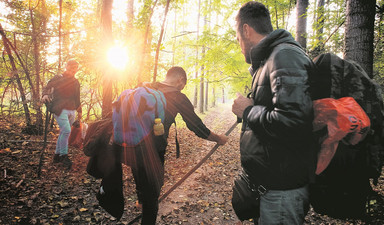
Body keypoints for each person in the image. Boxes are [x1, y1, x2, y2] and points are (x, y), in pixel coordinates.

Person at [98, 66, 228, 224]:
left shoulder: (146, 87)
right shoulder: (178, 97)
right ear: (180, 80)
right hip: (150, 153)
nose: (182, 88)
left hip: (126, 147)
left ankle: (141, 199)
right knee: (152, 197)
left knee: (141, 177)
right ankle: (146, 209)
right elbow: (196, 126)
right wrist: (218, 138)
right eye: (183, 85)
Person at [231, 2, 316, 224]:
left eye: (237, 36)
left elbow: (293, 122)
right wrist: (252, 106)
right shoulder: (269, 60)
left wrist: (248, 110)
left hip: (282, 193)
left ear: (247, 30)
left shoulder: (285, 55)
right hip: (270, 189)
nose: (238, 43)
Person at [42, 59, 82, 169]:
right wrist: (45, 95)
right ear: (66, 67)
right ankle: (64, 155)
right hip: (60, 109)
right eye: (71, 67)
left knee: (63, 133)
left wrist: (79, 111)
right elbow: (47, 87)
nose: (73, 70)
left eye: (75, 68)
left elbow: (77, 98)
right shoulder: (58, 78)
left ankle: (56, 156)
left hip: (71, 110)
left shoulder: (76, 82)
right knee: (66, 131)